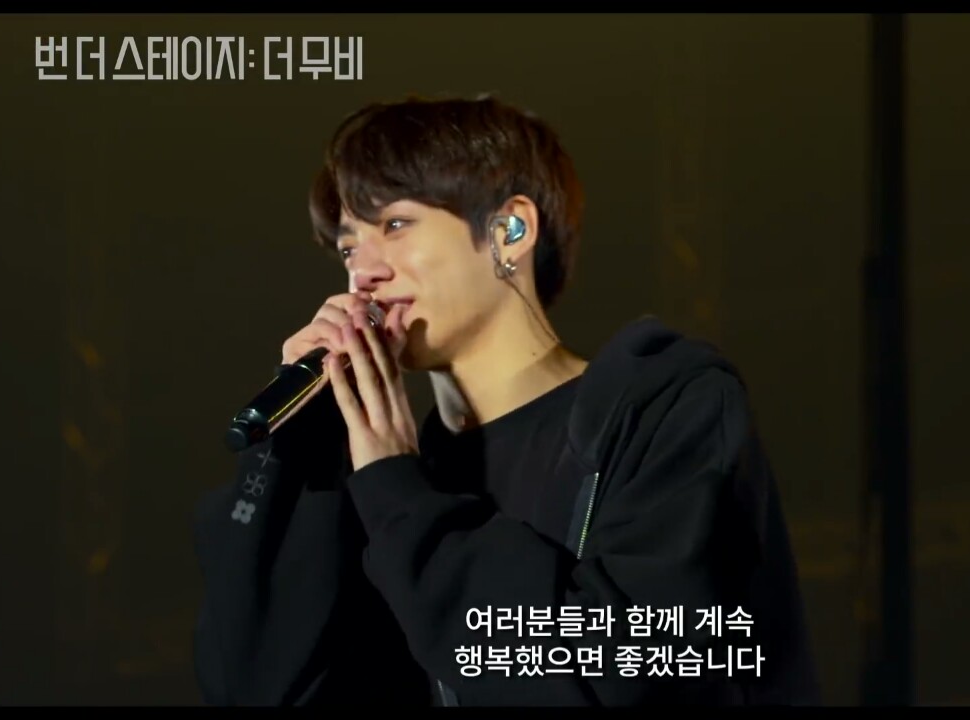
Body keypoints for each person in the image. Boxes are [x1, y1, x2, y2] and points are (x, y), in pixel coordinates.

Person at [191, 94, 820, 706]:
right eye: (350, 245)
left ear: (509, 230)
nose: (363, 271)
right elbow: (260, 685)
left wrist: (400, 498)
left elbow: (626, 670)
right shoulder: (393, 478)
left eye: (395, 224)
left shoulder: (664, 408)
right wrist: (300, 455)